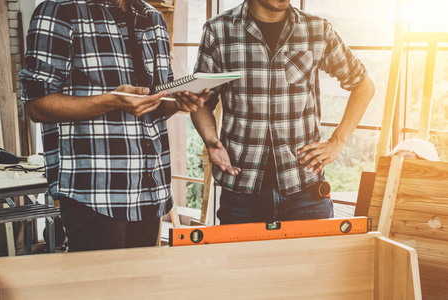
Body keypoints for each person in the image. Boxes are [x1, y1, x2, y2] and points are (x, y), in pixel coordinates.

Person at [20, 0, 209, 251]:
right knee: (100, 289)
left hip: (151, 191)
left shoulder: (151, 16)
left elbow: (154, 103)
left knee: (141, 289)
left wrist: (179, 102)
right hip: (92, 193)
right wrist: (112, 101)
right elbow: (37, 105)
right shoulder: (58, 10)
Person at [191, 0, 375, 224]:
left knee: (313, 261)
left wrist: (339, 139)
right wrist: (211, 142)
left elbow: (363, 85)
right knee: (246, 261)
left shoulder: (317, 30)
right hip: (241, 194)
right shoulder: (218, 30)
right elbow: (200, 101)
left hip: (306, 192)